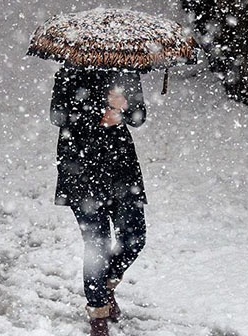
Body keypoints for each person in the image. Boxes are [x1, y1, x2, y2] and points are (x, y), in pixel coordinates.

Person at [50, 65, 147, 336]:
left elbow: (139, 117)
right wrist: (100, 111)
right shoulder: (69, 72)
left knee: (134, 237)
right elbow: (57, 116)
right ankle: (98, 314)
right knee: (97, 245)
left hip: (121, 170)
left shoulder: (126, 70)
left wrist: (124, 109)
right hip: (80, 169)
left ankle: (104, 286)